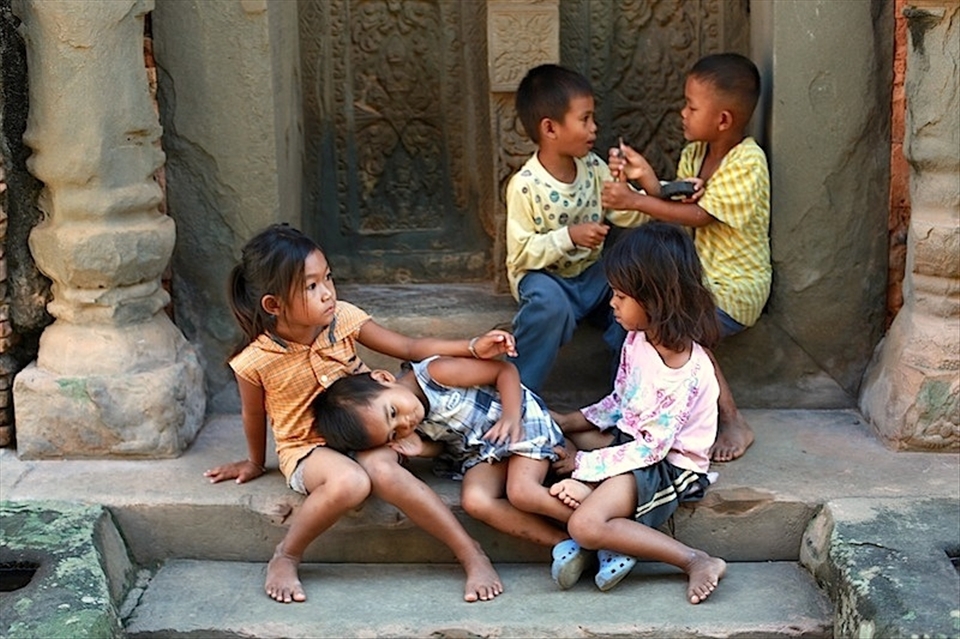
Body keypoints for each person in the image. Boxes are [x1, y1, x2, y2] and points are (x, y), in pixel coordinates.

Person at [204, 223, 517, 604]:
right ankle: (286, 555)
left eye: (328, 278)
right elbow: (253, 415)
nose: (328, 293)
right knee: (352, 483)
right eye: (311, 286)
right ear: (273, 305)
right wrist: (255, 462)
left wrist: (471, 345)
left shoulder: (343, 320)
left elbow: (409, 345)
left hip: (365, 430)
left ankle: (471, 554)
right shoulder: (254, 361)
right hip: (308, 449)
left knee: (387, 457)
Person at [602, 52, 770, 462]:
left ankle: (732, 420)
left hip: (736, 288)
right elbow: (680, 200)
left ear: (724, 119)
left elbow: (699, 214)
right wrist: (647, 183)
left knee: (679, 325)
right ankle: (643, 413)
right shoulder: (695, 157)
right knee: (632, 328)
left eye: (692, 106)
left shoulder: (748, 160)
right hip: (696, 283)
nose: (682, 113)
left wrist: (637, 202)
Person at [548, 221, 727, 603]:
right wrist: (571, 420)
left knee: (584, 524)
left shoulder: (684, 371)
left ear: (656, 299)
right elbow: (620, 400)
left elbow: (651, 451)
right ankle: (606, 508)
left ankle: (695, 560)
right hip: (635, 440)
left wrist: (584, 464)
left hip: (666, 464)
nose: (611, 303)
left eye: (621, 296)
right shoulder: (639, 338)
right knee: (555, 436)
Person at [311, 355, 579, 568]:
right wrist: (423, 449)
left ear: (383, 378)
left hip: (519, 422)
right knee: (475, 501)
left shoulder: (435, 374)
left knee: (522, 492)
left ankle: (594, 522)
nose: (405, 423)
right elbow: (445, 445)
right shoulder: (413, 423)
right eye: (394, 432)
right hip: (484, 450)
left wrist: (511, 416)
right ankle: (566, 544)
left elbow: (504, 372)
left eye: (393, 412)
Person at [504, 63, 649, 396]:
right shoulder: (525, 186)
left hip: (591, 276)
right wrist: (569, 236)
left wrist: (630, 191)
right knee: (550, 306)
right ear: (550, 129)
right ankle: (518, 396)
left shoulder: (593, 168)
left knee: (633, 291)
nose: (594, 128)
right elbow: (522, 253)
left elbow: (627, 216)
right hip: (546, 279)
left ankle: (627, 394)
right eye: (584, 119)